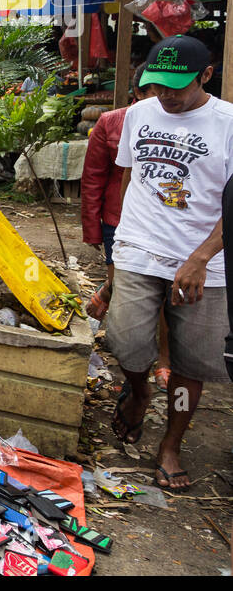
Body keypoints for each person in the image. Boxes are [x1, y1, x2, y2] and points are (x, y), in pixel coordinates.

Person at [107, 36, 233, 491]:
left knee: (189, 364)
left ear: (206, 75)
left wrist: (201, 257)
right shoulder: (139, 114)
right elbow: (129, 179)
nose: (166, 95)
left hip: (204, 263)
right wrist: (116, 253)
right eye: (157, 85)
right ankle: (139, 392)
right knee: (126, 341)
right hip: (140, 248)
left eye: (177, 87)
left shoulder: (228, 124)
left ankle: (171, 444)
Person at [82, 65, 171, 383]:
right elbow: (93, 177)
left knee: (163, 294)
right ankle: (110, 294)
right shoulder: (112, 121)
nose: (164, 97)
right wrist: (91, 227)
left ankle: (164, 358)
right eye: (155, 91)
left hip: (166, 223)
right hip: (117, 219)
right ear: (139, 94)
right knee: (127, 284)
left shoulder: (182, 125)